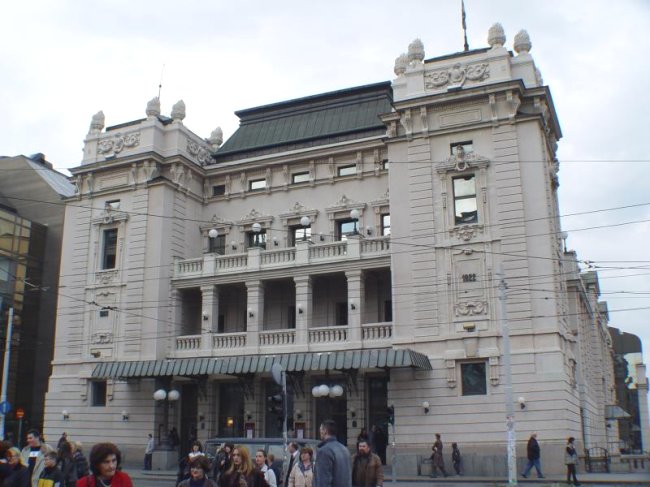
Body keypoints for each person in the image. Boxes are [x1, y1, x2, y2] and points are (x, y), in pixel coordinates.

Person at [313, 420, 351, 487]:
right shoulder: (345, 449)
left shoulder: (324, 451)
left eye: (321, 430)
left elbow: (323, 480)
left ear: (325, 431)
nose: (320, 432)